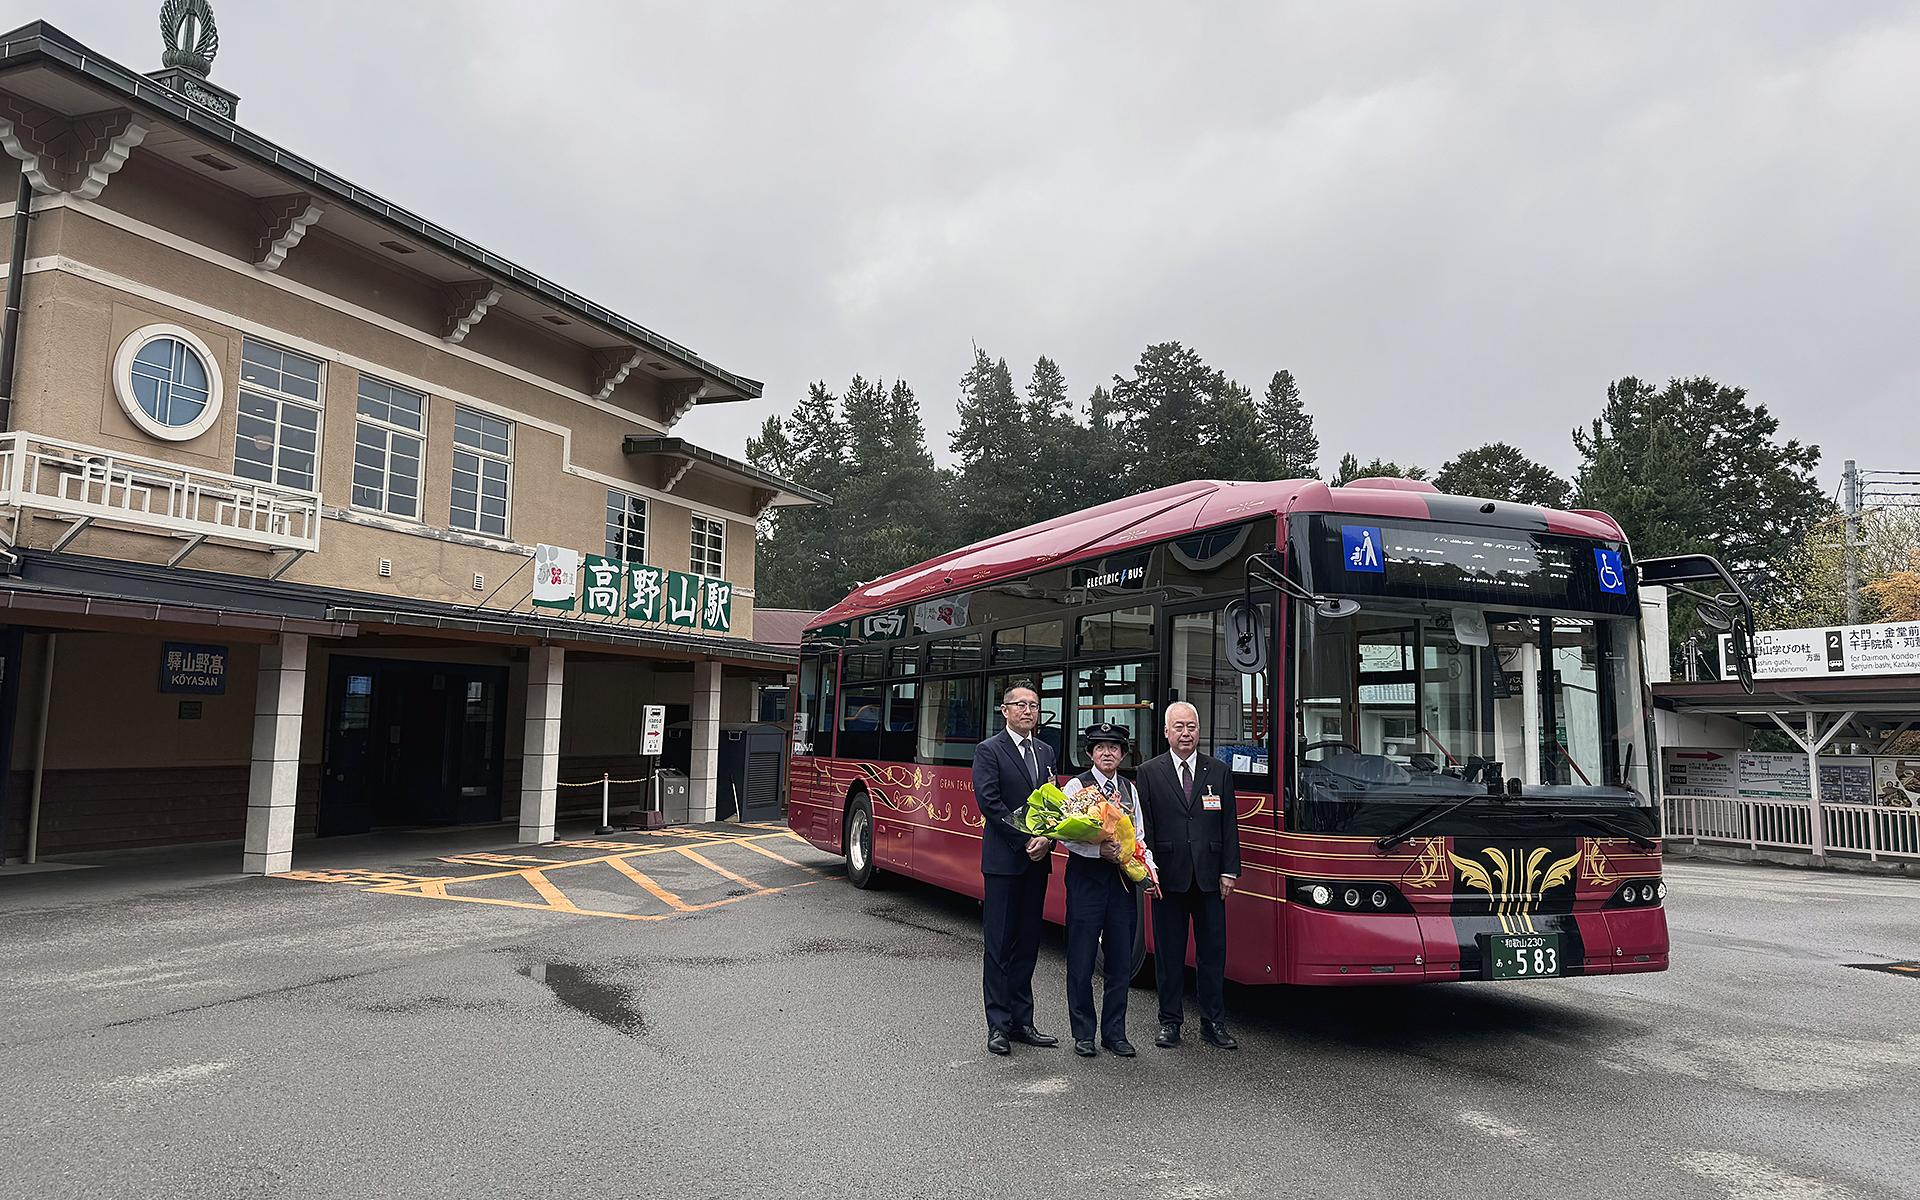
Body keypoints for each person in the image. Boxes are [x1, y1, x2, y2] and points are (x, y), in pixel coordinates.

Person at [1136, 700, 1241, 1049]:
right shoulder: (1149, 772)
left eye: (1192, 726)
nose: (1186, 733)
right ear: (1166, 732)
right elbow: (1145, 827)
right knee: (1168, 954)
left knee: (1213, 952)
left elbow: (1229, 826)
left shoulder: (1219, 771)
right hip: (1167, 876)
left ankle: (1213, 1022)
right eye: (1179, 726)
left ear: (1199, 730)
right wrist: (1147, 872)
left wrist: (1229, 871)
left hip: (1211, 876)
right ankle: (1170, 1022)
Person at [972, 684, 1059, 1056]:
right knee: (999, 946)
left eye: (1034, 705)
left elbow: (1056, 804)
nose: (1028, 711)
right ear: (1004, 710)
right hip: (1006, 862)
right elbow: (990, 802)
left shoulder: (1046, 751)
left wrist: (1048, 840)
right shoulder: (989, 750)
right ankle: (998, 1025)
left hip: (1038, 863)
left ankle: (1023, 1022)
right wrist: (1025, 840)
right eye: (1020, 705)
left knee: (1027, 944)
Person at [1060, 722, 1154, 1058]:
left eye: (1114, 748)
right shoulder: (1075, 786)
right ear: (1089, 754)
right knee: (1082, 958)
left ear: (1123, 754)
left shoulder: (1131, 788)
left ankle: (1115, 1032)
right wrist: (1095, 850)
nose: (1107, 753)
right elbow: (1066, 835)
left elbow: (1139, 836)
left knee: (1120, 960)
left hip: (1123, 885)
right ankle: (1083, 1032)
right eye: (1100, 747)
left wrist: (1149, 871)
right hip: (1086, 881)